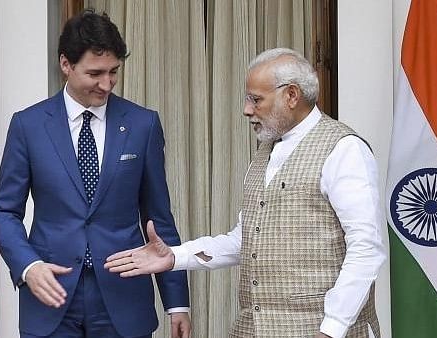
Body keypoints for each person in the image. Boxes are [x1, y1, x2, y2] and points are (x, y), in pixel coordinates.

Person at [105, 48, 386, 338]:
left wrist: (332, 329)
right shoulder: (266, 151)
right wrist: (174, 257)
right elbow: (246, 239)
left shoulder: (344, 149)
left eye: (256, 99)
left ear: (291, 95)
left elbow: (366, 248)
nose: (247, 109)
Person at [0, 9, 191, 338]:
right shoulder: (28, 125)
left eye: (113, 72)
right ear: (65, 64)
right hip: (50, 296)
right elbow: (4, 213)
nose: (106, 83)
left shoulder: (143, 124)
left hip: (124, 296)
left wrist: (177, 303)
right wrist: (28, 266)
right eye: (95, 73)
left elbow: (159, 218)